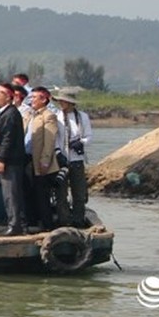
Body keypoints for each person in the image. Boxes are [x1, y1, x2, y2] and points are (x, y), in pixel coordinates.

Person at [0, 83, 27, 235]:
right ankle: (19, 223)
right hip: (12, 160)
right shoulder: (6, 113)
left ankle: (14, 226)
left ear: (8, 97)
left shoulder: (10, 114)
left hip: (11, 161)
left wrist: (1, 159)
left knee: (11, 194)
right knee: (13, 193)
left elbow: (8, 139)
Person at [25, 87, 62, 231]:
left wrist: (45, 160)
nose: (32, 100)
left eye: (35, 97)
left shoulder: (49, 116)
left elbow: (49, 141)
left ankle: (47, 225)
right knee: (29, 191)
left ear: (44, 100)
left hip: (39, 160)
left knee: (42, 194)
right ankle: (32, 222)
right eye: (31, 97)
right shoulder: (29, 115)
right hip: (28, 158)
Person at [54, 92, 92, 227]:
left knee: (79, 193)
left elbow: (88, 136)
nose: (61, 104)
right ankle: (63, 220)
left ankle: (78, 220)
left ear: (71, 103)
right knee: (61, 193)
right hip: (61, 160)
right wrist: (58, 152)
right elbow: (55, 138)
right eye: (60, 101)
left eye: (63, 101)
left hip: (77, 160)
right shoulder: (56, 117)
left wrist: (81, 142)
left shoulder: (82, 117)